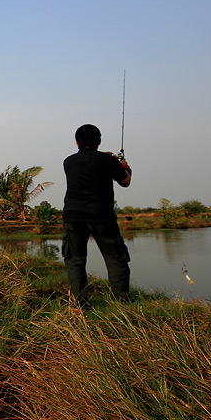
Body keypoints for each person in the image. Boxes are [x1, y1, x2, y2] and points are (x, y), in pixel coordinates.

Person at [62, 124, 132, 309]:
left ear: (76, 142)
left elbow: (89, 163)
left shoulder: (68, 162)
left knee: (75, 260)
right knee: (115, 257)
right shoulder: (108, 161)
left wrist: (107, 159)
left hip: (73, 216)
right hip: (102, 216)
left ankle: (78, 303)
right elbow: (125, 181)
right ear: (99, 141)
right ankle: (122, 302)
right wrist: (124, 166)